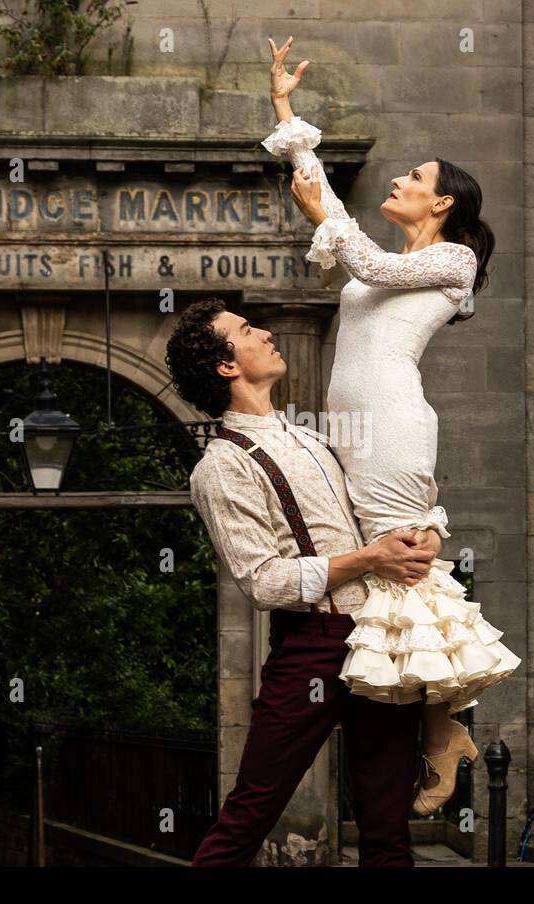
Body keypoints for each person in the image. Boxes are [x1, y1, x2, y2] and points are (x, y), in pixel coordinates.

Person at [262, 35, 522, 815]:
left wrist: (327, 222)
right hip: (352, 432)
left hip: (394, 427)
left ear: (442, 204)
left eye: (416, 177)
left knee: (401, 566)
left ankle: (442, 733)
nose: (402, 180)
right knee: (391, 568)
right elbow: (339, 224)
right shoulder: (384, 254)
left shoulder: (453, 265)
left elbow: (365, 262)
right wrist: (284, 108)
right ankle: (440, 728)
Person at [165, 297, 442, 866]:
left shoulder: (313, 438)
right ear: (226, 366)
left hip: (377, 637)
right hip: (310, 648)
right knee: (250, 812)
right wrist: (369, 559)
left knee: (387, 828)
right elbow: (265, 582)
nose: (265, 333)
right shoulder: (221, 466)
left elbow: (382, 509)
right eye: (246, 331)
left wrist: (427, 530)